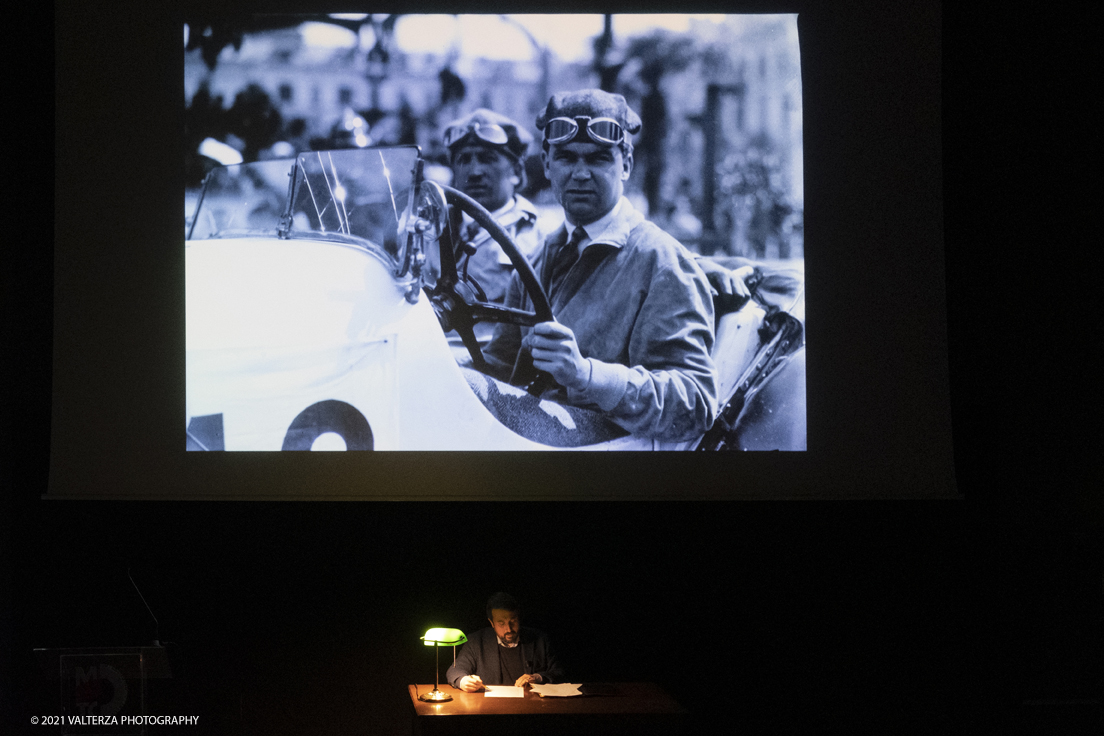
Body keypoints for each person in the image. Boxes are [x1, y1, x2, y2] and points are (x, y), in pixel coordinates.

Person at [482, 89, 718, 443]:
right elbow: (498, 370)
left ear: (626, 164)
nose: (580, 173)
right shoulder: (534, 263)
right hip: (524, 444)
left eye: (597, 159)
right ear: (546, 164)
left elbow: (696, 404)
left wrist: (585, 375)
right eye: (565, 157)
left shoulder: (661, 263)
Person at [441, 109, 545, 337]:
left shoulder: (539, 236)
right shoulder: (429, 227)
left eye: (487, 159)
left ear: (516, 171)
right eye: (464, 159)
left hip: (491, 361)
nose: (475, 171)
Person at [445, 592, 564, 691]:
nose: (509, 629)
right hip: (490, 708)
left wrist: (537, 678)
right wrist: (463, 681)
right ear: (491, 623)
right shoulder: (476, 641)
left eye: (513, 621)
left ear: (519, 618)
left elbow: (559, 672)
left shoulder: (539, 639)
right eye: (501, 623)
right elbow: (455, 670)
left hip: (531, 707)